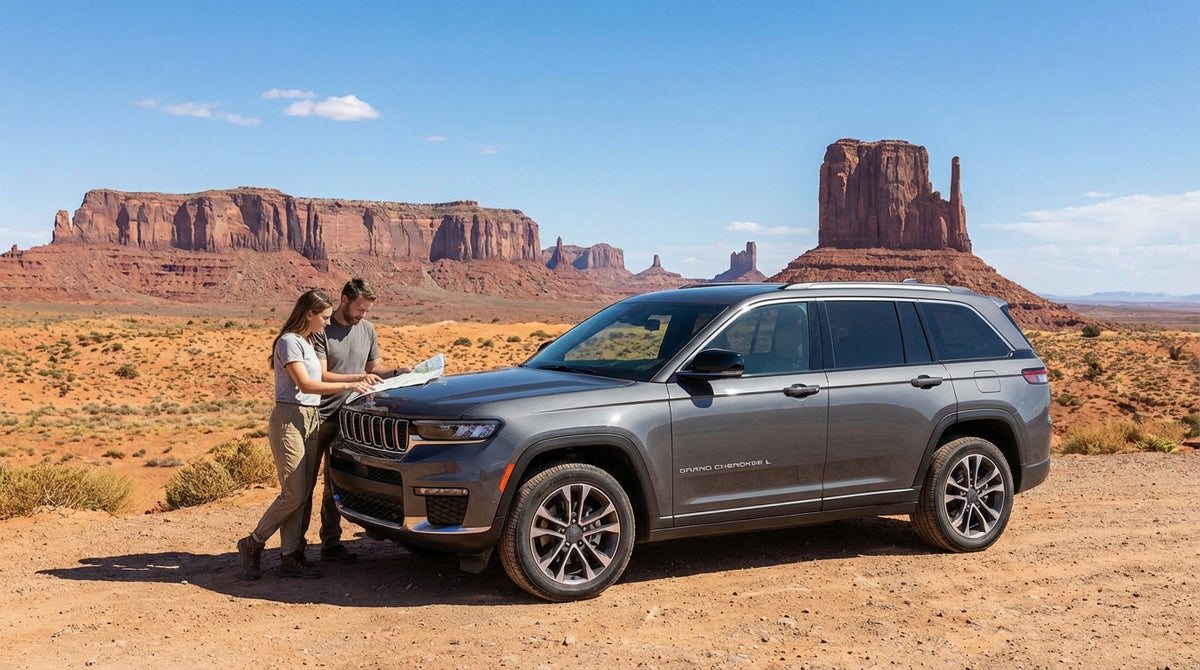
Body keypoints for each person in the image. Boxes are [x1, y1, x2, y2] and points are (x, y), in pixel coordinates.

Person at [237, 289, 373, 580]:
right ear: (309, 314)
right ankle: (253, 542)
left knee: (301, 493)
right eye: (323, 317)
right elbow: (307, 385)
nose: (326, 323)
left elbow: (322, 377)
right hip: (290, 418)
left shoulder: (306, 343)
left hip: (311, 418)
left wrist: (359, 378)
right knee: (295, 493)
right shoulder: (288, 342)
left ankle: (290, 557)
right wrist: (348, 388)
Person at [301, 278, 411, 564]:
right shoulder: (323, 329)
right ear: (344, 299)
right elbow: (321, 375)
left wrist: (401, 372)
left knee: (335, 482)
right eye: (360, 309)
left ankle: (331, 544)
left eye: (367, 311)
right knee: (304, 484)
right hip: (320, 415)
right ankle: (295, 549)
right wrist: (358, 379)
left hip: (351, 418)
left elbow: (374, 369)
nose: (363, 315)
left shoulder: (368, 329)